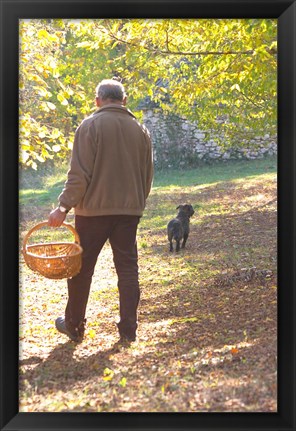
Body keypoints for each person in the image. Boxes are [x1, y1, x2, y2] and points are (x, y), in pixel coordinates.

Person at [48, 78, 153, 344]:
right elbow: (147, 175)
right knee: (128, 270)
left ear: (98, 101)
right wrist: (136, 202)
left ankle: (74, 325)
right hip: (129, 212)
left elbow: (79, 175)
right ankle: (129, 329)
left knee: (81, 270)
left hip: (92, 213)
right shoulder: (140, 130)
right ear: (124, 101)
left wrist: (63, 207)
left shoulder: (90, 125)